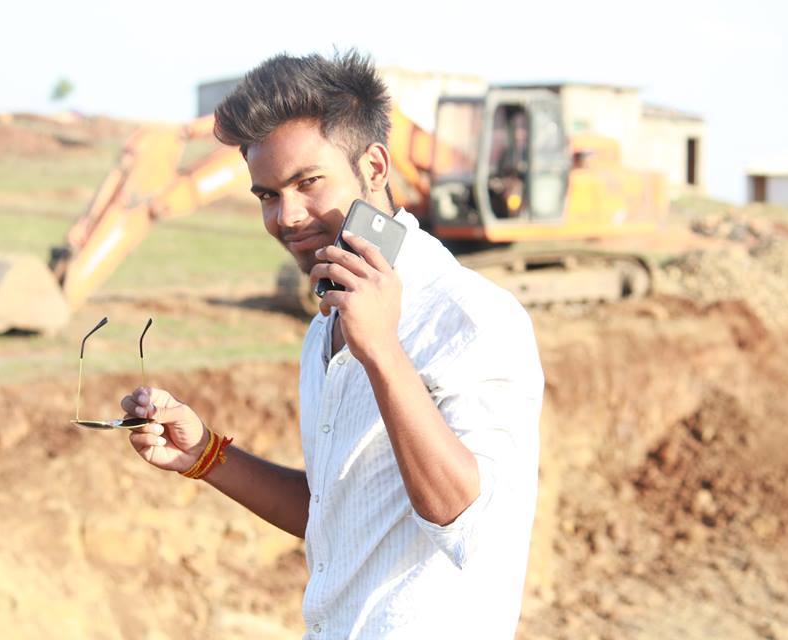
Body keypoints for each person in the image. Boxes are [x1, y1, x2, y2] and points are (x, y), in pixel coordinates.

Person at [120, 51, 543, 639]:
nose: (287, 217)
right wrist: (204, 454)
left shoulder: (470, 319)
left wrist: (382, 352)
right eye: (267, 195)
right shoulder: (327, 325)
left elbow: (468, 523)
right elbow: (336, 513)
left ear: (374, 165)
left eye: (307, 182)